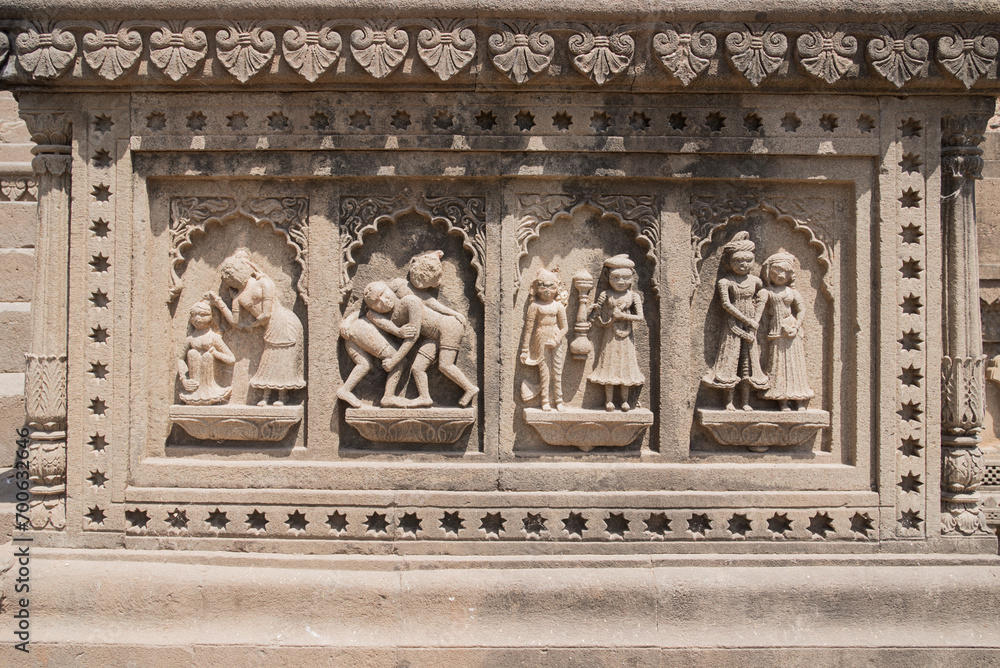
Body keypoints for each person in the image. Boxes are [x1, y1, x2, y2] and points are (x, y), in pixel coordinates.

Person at [207, 250, 306, 406]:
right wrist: (219, 303)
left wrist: (252, 325)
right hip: (269, 326)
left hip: (283, 321)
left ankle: (282, 396)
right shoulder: (238, 297)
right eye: (229, 278)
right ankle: (266, 396)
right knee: (269, 358)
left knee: (281, 357)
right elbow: (234, 321)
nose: (232, 279)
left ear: (244, 269)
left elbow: (266, 313)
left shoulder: (264, 283)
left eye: (234, 273)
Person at [701, 231, 768, 411]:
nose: (743, 265)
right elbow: (726, 304)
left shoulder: (755, 281)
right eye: (738, 261)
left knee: (748, 363)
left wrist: (755, 320)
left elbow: (762, 296)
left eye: (747, 261)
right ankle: (729, 401)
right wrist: (747, 319)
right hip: (733, 323)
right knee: (730, 361)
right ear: (728, 263)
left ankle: (745, 402)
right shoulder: (726, 281)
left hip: (752, 323)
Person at [335, 281, 416, 409]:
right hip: (362, 331)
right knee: (398, 360)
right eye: (376, 302)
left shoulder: (402, 294)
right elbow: (366, 314)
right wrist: (398, 332)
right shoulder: (373, 312)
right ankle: (388, 396)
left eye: (383, 294)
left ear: (388, 288)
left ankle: (345, 390)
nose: (383, 302)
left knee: (364, 364)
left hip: (354, 335)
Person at [587, 255, 645, 412]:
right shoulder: (605, 294)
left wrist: (624, 316)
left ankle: (624, 400)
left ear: (631, 277)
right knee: (609, 365)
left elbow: (640, 317)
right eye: (616, 277)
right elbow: (596, 310)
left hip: (626, 336)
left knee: (625, 367)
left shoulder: (633, 296)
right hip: (610, 334)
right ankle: (609, 400)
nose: (620, 282)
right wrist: (592, 313)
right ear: (608, 277)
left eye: (625, 278)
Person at [759, 251, 814, 410]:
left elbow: (801, 310)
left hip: (792, 332)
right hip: (776, 332)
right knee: (779, 366)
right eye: (777, 271)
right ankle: (782, 401)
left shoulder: (792, 292)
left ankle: (799, 400)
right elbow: (759, 313)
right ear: (769, 271)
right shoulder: (767, 292)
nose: (781, 275)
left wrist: (795, 327)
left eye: (785, 272)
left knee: (795, 367)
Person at [520, 267, 569, 411]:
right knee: (544, 371)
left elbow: (565, 327)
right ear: (536, 288)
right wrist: (524, 350)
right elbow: (528, 329)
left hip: (556, 337)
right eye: (543, 286)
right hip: (541, 337)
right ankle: (545, 400)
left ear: (556, 288)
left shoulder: (558, 306)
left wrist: (557, 339)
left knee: (557, 370)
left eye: (551, 286)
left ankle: (559, 400)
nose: (547, 290)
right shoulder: (534, 306)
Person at [177, 299, 236, 405]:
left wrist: (215, 353)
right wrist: (184, 379)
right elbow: (180, 358)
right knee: (192, 353)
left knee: (207, 356)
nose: (198, 319)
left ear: (212, 316)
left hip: (210, 388)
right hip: (194, 389)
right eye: (194, 315)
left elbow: (231, 359)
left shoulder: (213, 337)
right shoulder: (190, 339)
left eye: (203, 315)